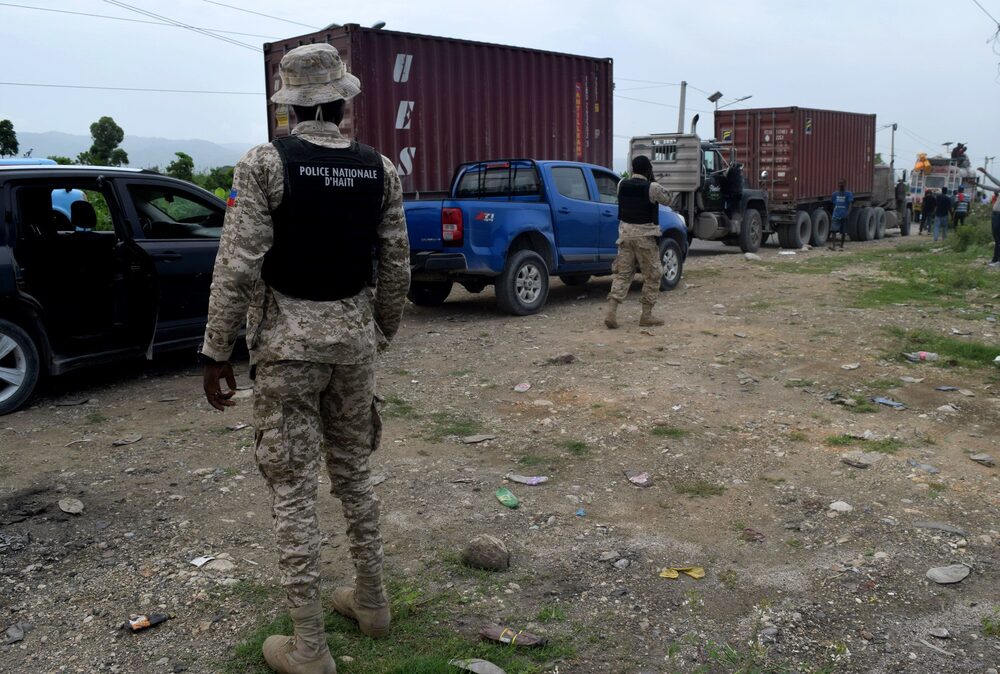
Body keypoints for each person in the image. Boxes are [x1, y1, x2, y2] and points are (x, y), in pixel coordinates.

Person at [199, 43, 410, 674]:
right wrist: (381, 332)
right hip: (352, 345)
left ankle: (310, 649)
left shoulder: (266, 163)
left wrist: (216, 348)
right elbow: (396, 262)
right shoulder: (380, 169)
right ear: (343, 99)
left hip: (287, 351)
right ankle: (372, 603)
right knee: (353, 473)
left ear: (288, 105)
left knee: (292, 486)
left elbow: (238, 262)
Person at [604, 155, 668, 329]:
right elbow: (667, 199)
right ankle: (646, 316)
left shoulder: (621, 184)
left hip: (624, 236)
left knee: (623, 274)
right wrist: (653, 181)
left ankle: (611, 311)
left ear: (633, 169)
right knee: (653, 275)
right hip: (645, 237)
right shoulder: (653, 187)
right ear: (648, 170)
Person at [978, 167, 1000, 267]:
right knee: (997, 239)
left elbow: (995, 181)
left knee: (998, 239)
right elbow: (990, 188)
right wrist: (977, 185)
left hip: (998, 215)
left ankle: (997, 260)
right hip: (995, 215)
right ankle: (995, 259)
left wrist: (986, 173)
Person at [828, 179, 853, 250]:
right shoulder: (834, 194)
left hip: (844, 214)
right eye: (839, 184)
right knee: (833, 230)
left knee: (843, 231)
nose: (841, 185)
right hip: (836, 215)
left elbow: (850, 204)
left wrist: (848, 213)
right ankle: (833, 246)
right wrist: (835, 211)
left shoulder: (849, 194)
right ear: (838, 185)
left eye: (842, 184)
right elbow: (833, 204)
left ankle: (841, 245)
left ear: (845, 185)